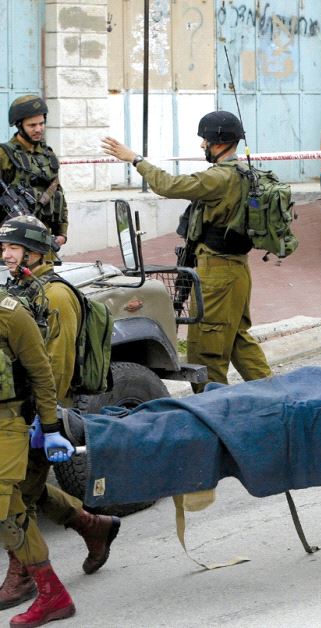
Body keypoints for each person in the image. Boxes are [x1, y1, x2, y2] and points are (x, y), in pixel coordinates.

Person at [101, 112, 272, 392]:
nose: (202, 146)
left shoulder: (219, 177)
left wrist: (135, 159)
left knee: (206, 351)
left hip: (217, 272)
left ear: (218, 142)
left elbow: (168, 185)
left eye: (205, 140)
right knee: (238, 339)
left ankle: (215, 410)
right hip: (236, 270)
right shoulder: (244, 172)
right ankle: (277, 396)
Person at [0, 216, 120, 613]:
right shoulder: (23, 287)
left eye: (13, 248)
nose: (6, 254)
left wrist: (44, 420)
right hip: (24, 409)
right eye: (4, 248)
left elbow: (55, 364)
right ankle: (92, 525)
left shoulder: (55, 296)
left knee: (17, 498)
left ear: (36, 252)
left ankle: (24, 577)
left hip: (41, 412)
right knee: (24, 490)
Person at [0, 281, 77, 626]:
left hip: (9, 422)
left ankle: (52, 594)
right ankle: (93, 526)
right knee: (13, 507)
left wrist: (49, 428)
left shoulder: (10, 316)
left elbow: (42, 373)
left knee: (6, 509)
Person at [0, 96, 68, 247]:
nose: (38, 129)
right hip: (12, 244)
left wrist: (62, 233)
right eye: (32, 125)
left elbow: (59, 195)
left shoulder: (48, 155)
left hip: (44, 241)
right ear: (19, 126)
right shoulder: (4, 154)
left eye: (41, 123)